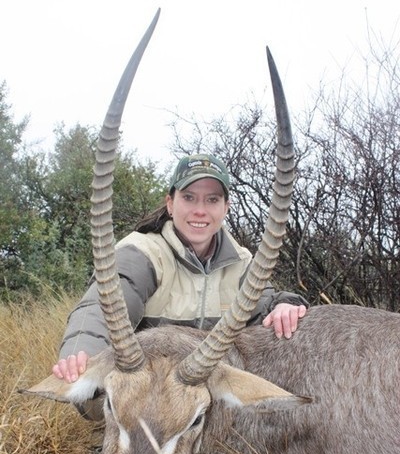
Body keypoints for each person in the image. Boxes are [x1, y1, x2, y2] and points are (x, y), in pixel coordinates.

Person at [53, 153, 309, 395]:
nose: (200, 210)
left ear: (225, 207)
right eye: (189, 197)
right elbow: (101, 307)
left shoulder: (240, 261)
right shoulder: (142, 253)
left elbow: (266, 301)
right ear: (170, 204)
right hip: (147, 390)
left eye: (212, 200)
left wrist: (287, 305)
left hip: (205, 394)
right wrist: (82, 354)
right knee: (90, 397)